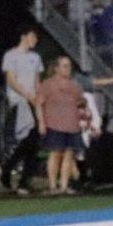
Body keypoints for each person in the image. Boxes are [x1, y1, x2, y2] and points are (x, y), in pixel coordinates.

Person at [1, 25, 43, 195]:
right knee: (23, 138)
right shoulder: (11, 55)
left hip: (33, 102)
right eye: (32, 37)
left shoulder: (35, 57)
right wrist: (27, 95)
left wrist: (38, 99)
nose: (35, 40)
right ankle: (9, 169)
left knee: (33, 143)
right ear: (24, 36)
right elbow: (11, 80)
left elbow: (37, 81)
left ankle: (24, 179)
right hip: (19, 101)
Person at [36, 55, 86, 195]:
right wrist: (41, 122)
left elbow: (80, 103)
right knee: (55, 153)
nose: (68, 69)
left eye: (69, 66)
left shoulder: (74, 86)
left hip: (72, 124)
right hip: (54, 123)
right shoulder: (47, 84)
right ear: (57, 68)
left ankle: (64, 185)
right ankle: (52, 185)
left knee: (69, 154)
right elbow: (39, 104)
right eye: (64, 66)